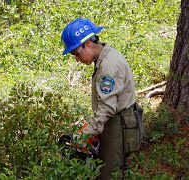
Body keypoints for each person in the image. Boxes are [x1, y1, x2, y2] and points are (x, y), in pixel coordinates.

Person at [61, 18, 143, 179]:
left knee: (108, 174)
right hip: (115, 121)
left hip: (118, 125)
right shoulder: (105, 56)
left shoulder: (108, 66)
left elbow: (107, 108)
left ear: (89, 44)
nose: (77, 59)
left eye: (77, 53)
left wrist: (84, 135)